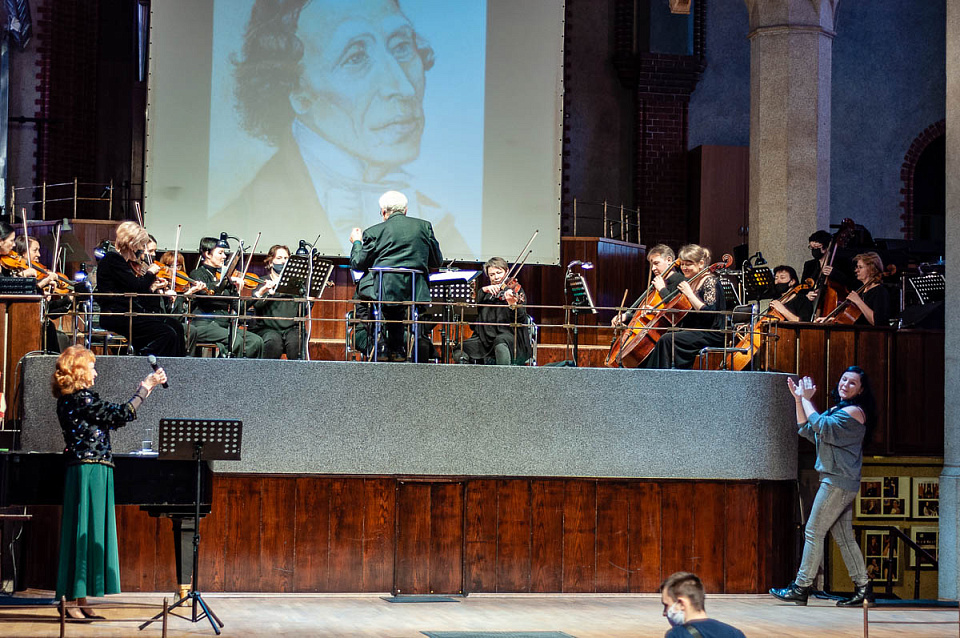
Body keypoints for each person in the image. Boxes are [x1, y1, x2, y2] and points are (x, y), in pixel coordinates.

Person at [217, 0, 469, 256]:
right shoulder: (249, 213)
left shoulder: (437, 221)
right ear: (297, 90)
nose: (403, 88)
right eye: (356, 57)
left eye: (402, 46)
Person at [52, 345, 167, 620]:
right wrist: (146, 386)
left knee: (89, 532)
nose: (96, 371)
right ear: (79, 371)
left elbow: (114, 419)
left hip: (94, 469)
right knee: (84, 531)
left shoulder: (79, 399)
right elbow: (121, 413)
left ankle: (80, 599)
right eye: (91, 367)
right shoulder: (81, 399)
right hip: (87, 470)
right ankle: (69, 601)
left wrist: (146, 388)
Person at [770, 366, 875, 607]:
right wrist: (799, 400)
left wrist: (807, 400)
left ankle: (801, 586)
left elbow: (819, 425)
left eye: (852, 383)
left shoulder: (854, 412)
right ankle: (863, 588)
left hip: (837, 482)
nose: (845, 384)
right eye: (844, 379)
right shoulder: (838, 410)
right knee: (843, 536)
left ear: (860, 390)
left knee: (813, 531)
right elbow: (807, 430)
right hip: (841, 481)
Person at [349, 190, 442, 361]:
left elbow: (358, 264)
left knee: (363, 296)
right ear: (405, 210)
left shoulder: (374, 232)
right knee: (398, 307)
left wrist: (357, 242)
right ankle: (398, 348)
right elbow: (437, 262)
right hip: (414, 292)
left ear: (383, 212)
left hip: (383, 292)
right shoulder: (424, 227)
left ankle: (381, 344)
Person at [95, 221, 187, 357]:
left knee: (176, 326)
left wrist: (154, 287)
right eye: (141, 245)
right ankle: (147, 360)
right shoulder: (113, 259)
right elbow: (136, 287)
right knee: (166, 333)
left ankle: (177, 369)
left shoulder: (124, 263)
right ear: (132, 244)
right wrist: (150, 274)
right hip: (118, 315)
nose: (143, 250)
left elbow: (139, 293)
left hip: (132, 312)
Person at [641, 244, 725, 369]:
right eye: (683, 264)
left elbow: (710, 315)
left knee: (668, 340)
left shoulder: (710, 281)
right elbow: (682, 311)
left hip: (711, 333)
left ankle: (663, 378)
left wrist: (690, 294)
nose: (684, 268)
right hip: (694, 330)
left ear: (701, 263)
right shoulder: (690, 281)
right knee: (663, 336)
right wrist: (656, 311)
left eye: (689, 264)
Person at [188, 237, 264, 358]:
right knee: (236, 342)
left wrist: (256, 294)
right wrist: (223, 282)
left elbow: (238, 308)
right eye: (220, 253)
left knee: (256, 341)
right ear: (207, 254)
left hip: (223, 324)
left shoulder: (226, 277)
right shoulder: (197, 273)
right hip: (204, 324)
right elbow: (206, 294)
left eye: (224, 253)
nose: (224, 257)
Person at [455, 256, 531, 365]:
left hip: (509, 337)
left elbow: (521, 318)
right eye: (492, 275)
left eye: (499, 273)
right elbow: (472, 314)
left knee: (500, 343)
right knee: (460, 349)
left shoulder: (515, 290)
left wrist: (512, 304)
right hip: (484, 338)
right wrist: (483, 290)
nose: (496, 277)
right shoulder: (485, 293)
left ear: (507, 271)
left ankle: (502, 379)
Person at [611, 244, 684, 327]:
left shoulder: (681, 281)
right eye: (651, 265)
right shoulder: (657, 283)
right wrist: (625, 316)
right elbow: (644, 313)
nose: (653, 268)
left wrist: (662, 289)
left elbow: (677, 311)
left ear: (669, 260)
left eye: (656, 263)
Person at [250, 245, 303, 359]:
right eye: (279, 258)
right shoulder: (262, 281)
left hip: (291, 328)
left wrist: (311, 297)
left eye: (286, 258)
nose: (283, 261)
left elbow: (303, 312)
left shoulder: (295, 285)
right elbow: (257, 305)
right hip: (267, 328)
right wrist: (267, 292)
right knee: (273, 342)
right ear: (270, 262)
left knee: (296, 342)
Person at [660, 572, 746, 638]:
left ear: (681, 604)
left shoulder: (677, 635)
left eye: (666, 605)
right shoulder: (735, 633)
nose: (664, 613)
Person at [841, 252, 893, 327]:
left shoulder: (880, 292)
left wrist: (858, 301)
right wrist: (833, 319)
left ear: (871, 270)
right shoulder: (861, 291)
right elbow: (853, 319)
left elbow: (878, 322)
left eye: (860, 267)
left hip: (871, 337)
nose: (856, 270)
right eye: (857, 267)